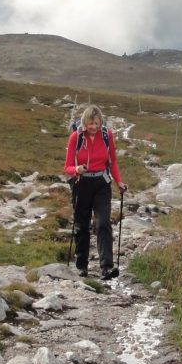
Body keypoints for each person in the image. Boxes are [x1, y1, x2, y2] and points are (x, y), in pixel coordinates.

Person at [64, 104, 127, 278]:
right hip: (81, 183)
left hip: (101, 184)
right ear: (85, 122)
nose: (94, 127)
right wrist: (77, 169)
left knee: (103, 223)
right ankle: (81, 265)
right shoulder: (76, 137)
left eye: (97, 124)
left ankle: (107, 267)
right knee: (82, 225)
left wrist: (119, 182)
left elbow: (112, 161)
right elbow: (67, 167)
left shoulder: (107, 135)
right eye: (91, 124)